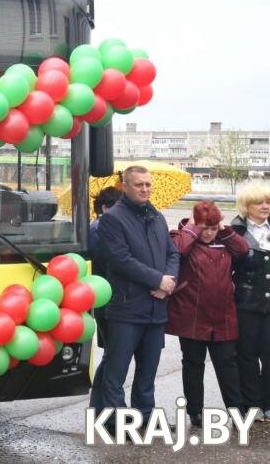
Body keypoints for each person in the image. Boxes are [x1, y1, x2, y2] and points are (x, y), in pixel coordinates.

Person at [89, 165, 179, 428]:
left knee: (147, 374)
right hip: (126, 310)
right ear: (125, 187)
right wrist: (156, 279)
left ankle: (145, 419)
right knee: (116, 373)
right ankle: (117, 422)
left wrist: (168, 281)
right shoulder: (112, 219)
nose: (145, 189)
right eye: (139, 184)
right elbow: (121, 260)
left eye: (148, 184)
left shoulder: (157, 217)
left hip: (156, 308)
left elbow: (172, 254)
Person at [167, 200, 249, 427]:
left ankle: (237, 411)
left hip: (222, 316)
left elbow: (243, 249)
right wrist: (192, 227)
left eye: (213, 228)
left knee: (227, 365)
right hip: (191, 315)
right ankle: (196, 412)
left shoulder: (224, 241)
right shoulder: (182, 236)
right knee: (193, 364)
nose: (209, 233)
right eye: (205, 228)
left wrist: (222, 229)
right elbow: (177, 250)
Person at [230, 184, 270, 422]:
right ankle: (252, 404)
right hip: (245, 304)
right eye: (259, 202)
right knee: (246, 356)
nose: (265, 206)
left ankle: (268, 403)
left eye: (267, 201)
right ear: (247, 206)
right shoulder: (234, 232)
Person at [88, 186, 123, 349]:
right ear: (105, 208)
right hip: (106, 296)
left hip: (105, 296)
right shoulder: (99, 230)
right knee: (113, 351)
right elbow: (108, 263)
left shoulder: (99, 227)